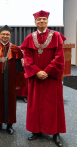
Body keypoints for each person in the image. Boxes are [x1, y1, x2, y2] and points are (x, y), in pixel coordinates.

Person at [21, 10, 66, 147]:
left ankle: (55, 132)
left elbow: (59, 57)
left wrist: (46, 71)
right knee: (35, 104)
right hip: (36, 77)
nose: (41, 21)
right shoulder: (30, 37)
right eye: (39, 19)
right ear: (35, 22)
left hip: (51, 77)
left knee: (53, 105)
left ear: (47, 21)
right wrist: (36, 71)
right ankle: (36, 130)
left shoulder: (56, 36)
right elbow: (27, 57)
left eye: (44, 19)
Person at [0, 25, 25, 135]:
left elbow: (18, 68)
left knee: (11, 102)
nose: (5, 36)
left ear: (10, 36)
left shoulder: (15, 49)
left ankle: (9, 125)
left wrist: (18, 82)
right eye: (3, 34)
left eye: (7, 34)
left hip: (11, 80)